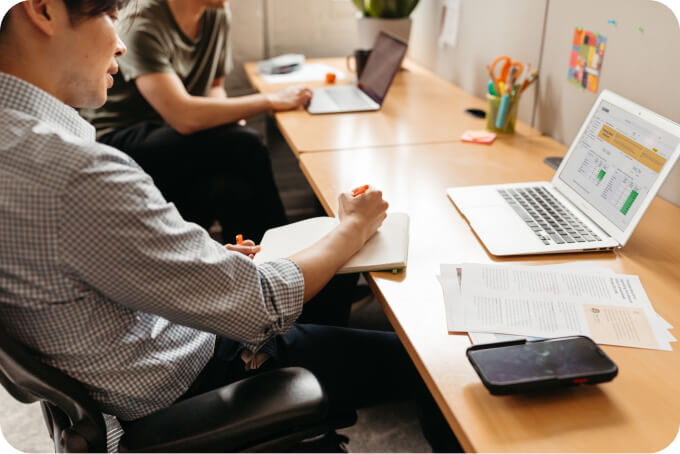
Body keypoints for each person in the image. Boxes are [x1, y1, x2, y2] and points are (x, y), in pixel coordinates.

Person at [0, 0, 461, 451]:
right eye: (109, 15)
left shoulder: (19, 146)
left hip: (138, 359)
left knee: (329, 269)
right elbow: (261, 305)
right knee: (436, 363)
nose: (120, 44)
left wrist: (203, 265)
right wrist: (353, 227)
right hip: (192, 377)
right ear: (43, 10)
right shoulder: (75, 174)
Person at [81, 0, 314, 243]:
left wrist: (225, 123)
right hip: (122, 138)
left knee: (232, 187)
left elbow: (214, 87)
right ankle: (289, 258)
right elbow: (183, 116)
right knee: (247, 143)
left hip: (177, 137)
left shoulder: (217, 13)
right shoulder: (141, 23)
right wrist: (271, 100)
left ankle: (256, 264)